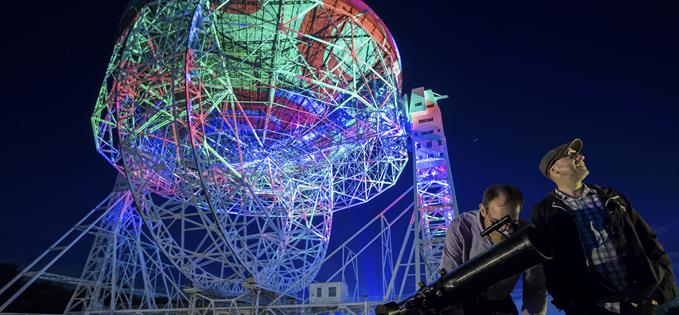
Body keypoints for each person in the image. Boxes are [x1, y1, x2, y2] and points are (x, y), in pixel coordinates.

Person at [531, 138, 677, 315]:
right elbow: (548, 265)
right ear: (554, 169)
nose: (581, 157)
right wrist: (569, 302)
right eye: (571, 155)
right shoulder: (543, 212)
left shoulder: (613, 197)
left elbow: (649, 240)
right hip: (592, 309)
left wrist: (664, 290)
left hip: (641, 304)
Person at [440, 184, 547, 315]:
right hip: (464, 303)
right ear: (483, 210)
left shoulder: (526, 234)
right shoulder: (461, 226)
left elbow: (535, 286)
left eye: (512, 223)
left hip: (500, 301)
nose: (505, 229)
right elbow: (449, 279)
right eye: (498, 222)